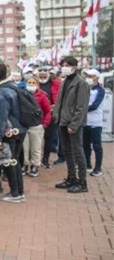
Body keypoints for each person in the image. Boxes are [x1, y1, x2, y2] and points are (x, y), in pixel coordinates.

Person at [0, 63, 26, 203]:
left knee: (9, 162)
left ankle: (15, 192)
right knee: (15, 161)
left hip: (9, 130)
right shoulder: (13, 86)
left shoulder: (2, 91)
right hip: (20, 128)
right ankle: (19, 191)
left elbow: (1, 117)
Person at [53, 57, 90, 193]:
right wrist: (56, 116)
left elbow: (82, 107)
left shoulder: (81, 84)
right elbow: (59, 102)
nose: (64, 67)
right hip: (62, 121)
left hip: (74, 123)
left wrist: (74, 124)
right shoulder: (65, 82)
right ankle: (71, 178)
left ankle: (82, 181)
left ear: (75, 67)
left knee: (78, 152)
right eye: (63, 65)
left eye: (67, 65)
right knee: (67, 151)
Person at [23, 76, 52, 178]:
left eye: (33, 82)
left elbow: (48, 111)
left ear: (37, 85)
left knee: (36, 148)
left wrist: (44, 124)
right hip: (24, 125)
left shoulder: (42, 96)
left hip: (37, 126)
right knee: (25, 148)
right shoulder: (23, 94)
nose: (31, 84)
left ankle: (35, 166)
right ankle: (25, 165)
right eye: (29, 82)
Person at [83, 69, 105, 178]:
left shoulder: (100, 90)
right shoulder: (85, 88)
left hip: (96, 123)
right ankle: (87, 165)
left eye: (91, 76)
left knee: (96, 146)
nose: (88, 78)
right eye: (87, 76)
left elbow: (95, 105)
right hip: (84, 122)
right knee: (85, 145)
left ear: (96, 77)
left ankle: (98, 168)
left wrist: (81, 109)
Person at [38, 65, 61, 168]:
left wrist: (55, 106)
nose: (42, 72)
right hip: (36, 115)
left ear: (49, 72)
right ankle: (35, 160)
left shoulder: (55, 84)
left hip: (50, 115)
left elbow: (59, 98)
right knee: (36, 139)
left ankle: (45, 159)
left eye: (44, 70)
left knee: (49, 138)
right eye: (40, 70)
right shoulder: (33, 83)